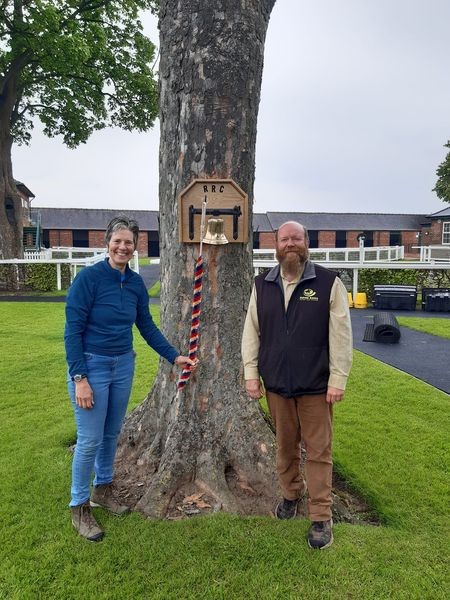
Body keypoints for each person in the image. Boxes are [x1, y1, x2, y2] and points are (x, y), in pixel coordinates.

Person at [65, 215, 197, 542]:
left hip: (123, 365)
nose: (122, 247)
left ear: (135, 245)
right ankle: (79, 506)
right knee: (90, 438)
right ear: (106, 243)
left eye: (128, 242)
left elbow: (146, 326)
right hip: (92, 367)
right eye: (117, 241)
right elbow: (72, 332)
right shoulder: (89, 279)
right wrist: (80, 377)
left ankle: (103, 489)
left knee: (112, 433)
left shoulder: (135, 283)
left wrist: (173, 355)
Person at [241, 221, 352, 550]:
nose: (291, 243)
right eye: (284, 239)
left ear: (307, 243)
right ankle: (291, 495)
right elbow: (252, 331)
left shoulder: (328, 284)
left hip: (317, 387)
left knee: (319, 452)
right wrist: (250, 373)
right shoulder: (262, 285)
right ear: (276, 245)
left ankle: (320, 515)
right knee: (285, 448)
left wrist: (338, 378)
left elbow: (341, 337)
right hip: (276, 384)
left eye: (297, 238)